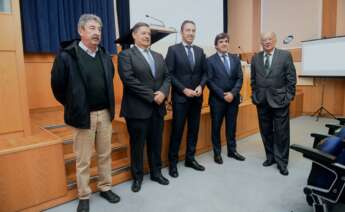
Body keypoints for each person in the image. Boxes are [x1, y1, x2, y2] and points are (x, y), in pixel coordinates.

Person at [51, 14, 120, 212]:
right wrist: (74, 104)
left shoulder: (105, 57)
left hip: (104, 114)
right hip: (83, 116)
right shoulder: (67, 56)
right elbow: (57, 86)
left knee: (105, 154)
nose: (97, 32)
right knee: (83, 159)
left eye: (99, 29)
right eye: (92, 28)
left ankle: (105, 187)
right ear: (81, 31)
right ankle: (84, 195)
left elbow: (109, 81)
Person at [118, 22, 171, 192]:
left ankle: (156, 173)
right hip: (137, 109)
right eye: (143, 33)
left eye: (148, 33)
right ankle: (138, 177)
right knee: (137, 145)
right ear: (134, 35)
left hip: (158, 108)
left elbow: (167, 77)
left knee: (156, 143)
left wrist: (163, 93)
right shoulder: (126, 55)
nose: (147, 36)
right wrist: (152, 96)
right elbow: (129, 80)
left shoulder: (158, 56)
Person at [250, 32, 297, 176]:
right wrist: (254, 94)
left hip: (280, 101)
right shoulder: (255, 58)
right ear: (261, 42)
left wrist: (288, 97)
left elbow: (291, 79)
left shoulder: (285, 56)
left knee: (281, 133)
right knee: (266, 131)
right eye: (264, 40)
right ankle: (270, 157)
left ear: (275, 40)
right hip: (262, 101)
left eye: (269, 39)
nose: (267, 42)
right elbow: (253, 79)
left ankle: (282, 162)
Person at [166, 20, 208, 178]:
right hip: (180, 99)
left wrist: (201, 86)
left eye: (193, 30)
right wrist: (183, 89)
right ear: (182, 32)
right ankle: (172, 163)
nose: (191, 33)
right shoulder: (173, 50)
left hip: (196, 99)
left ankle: (190, 158)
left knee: (194, 130)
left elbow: (205, 73)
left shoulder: (199, 50)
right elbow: (169, 74)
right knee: (177, 131)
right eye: (188, 30)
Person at [207, 33, 246, 164]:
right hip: (217, 100)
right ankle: (217, 153)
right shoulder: (210, 60)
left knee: (231, 126)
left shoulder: (235, 58)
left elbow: (240, 78)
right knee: (216, 127)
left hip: (233, 99)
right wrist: (223, 94)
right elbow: (210, 81)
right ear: (216, 45)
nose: (224, 43)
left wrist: (233, 93)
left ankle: (232, 151)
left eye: (226, 41)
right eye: (221, 42)